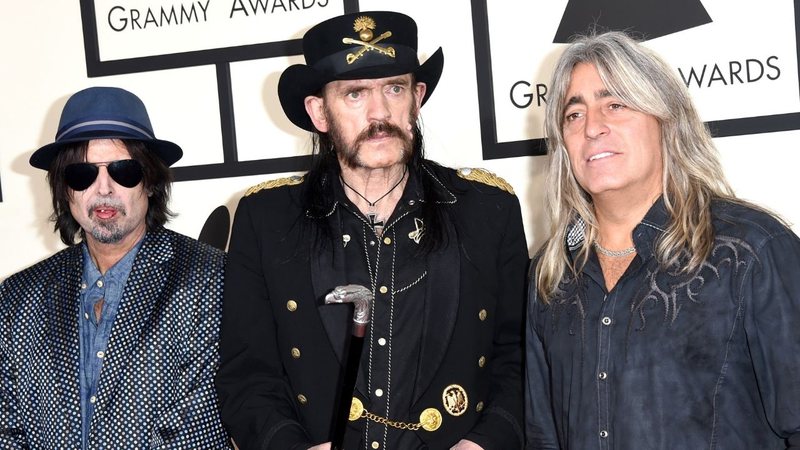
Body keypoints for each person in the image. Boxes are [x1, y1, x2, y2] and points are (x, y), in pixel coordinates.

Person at [215, 10, 528, 450]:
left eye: (394, 88)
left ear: (416, 98)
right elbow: (248, 374)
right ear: (318, 111)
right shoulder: (266, 220)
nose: (380, 113)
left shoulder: (487, 210)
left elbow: (520, 356)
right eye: (355, 94)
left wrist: (486, 442)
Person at [525, 30, 800, 449]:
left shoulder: (753, 253)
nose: (593, 128)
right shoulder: (550, 273)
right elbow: (542, 437)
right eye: (573, 114)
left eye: (615, 104)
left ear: (666, 118)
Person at [0, 86, 232, 449]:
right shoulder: (17, 297)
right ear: (64, 189)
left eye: (123, 171)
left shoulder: (208, 277)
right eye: (82, 174)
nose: (103, 188)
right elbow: (8, 430)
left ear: (151, 181)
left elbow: (192, 431)